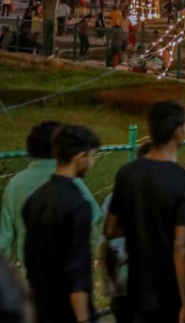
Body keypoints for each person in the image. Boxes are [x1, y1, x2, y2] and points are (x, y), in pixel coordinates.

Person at [105, 100, 185, 322]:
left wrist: (140, 226)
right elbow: (183, 247)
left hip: (138, 285)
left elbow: (111, 228)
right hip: (171, 290)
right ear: (178, 132)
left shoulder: (127, 173)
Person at [22, 124, 101, 323]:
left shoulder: (35, 199)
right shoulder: (78, 204)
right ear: (79, 157)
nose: (91, 163)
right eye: (91, 157)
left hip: (41, 306)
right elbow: (77, 271)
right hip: (68, 311)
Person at [0, 121, 101, 272]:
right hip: (67, 277)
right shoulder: (72, 182)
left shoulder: (15, 184)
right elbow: (96, 223)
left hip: (30, 276)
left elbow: (4, 237)